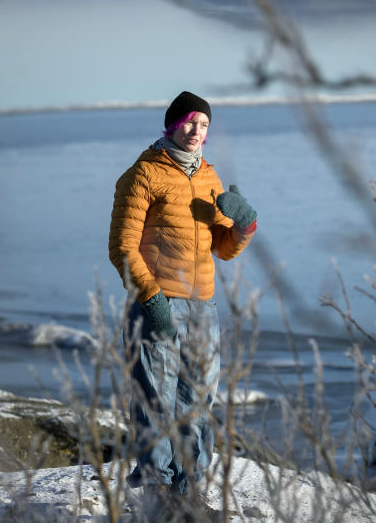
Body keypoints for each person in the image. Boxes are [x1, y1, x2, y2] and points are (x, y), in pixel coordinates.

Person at [108, 90, 257, 507]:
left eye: (204, 125)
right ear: (172, 124)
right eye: (190, 122)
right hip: (157, 302)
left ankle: (187, 488)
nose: (196, 131)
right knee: (156, 398)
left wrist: (245, 225)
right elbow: (122, 249)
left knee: (199, 398)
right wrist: (152, 301)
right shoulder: (143, 174)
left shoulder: (210, 177)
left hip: (203, 306)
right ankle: (156, 492)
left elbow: (223, 248)